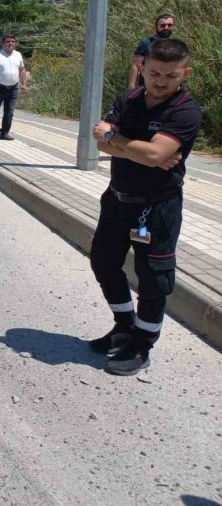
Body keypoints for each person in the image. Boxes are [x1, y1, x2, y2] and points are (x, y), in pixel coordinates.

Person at [89, 37, 201, 376]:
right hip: (117, 199)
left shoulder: (185, 110)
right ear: (141, 68)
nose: (161, 81)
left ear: (185, 73)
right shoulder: (129, 98)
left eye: (170, 75)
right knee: (104, 262)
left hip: (157, 207)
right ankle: (124, 324)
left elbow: (153, 154)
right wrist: (138, 151)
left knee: (154, 279)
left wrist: (119, 142)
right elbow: (101, 138)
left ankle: (142, 343)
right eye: (154, 73)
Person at [129, 13, 175, 88]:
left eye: (169, 25)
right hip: (148, 87)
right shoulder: (147, 43)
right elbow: (135, 65)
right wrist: (131, 87)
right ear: (156, 27)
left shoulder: (176, 44)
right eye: (162, 25)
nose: (166, 27)